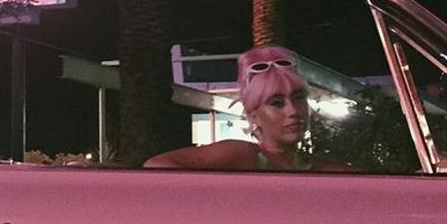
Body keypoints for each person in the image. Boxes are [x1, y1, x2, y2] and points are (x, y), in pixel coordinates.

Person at [144, 46, 348, 171]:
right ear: (253, 116)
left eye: (299, 98)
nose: (293, 110)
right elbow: (157, 166)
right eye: (276, 103)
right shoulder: (242, 154)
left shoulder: (325, 169)